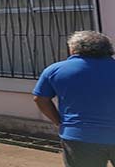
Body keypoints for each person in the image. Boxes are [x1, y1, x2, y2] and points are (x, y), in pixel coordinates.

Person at [33, 31, 115, 167]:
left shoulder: (55, 70)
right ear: (108, 49)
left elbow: (40, 99)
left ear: (73, 49)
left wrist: (58, 121)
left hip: (79, 137)